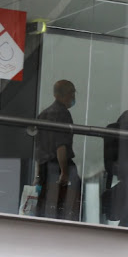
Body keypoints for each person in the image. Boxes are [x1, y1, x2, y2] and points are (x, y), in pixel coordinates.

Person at [35, 80, 82, 221]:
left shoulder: (43, 114)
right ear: (64, 95)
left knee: (46, 203)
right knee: (67, 203)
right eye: (72, 93)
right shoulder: (62, 114)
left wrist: (37, 174)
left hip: (45, 166)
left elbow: (39, 148)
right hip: (58, 166)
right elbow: (61, 146)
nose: (73, 97)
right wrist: (64, 172)